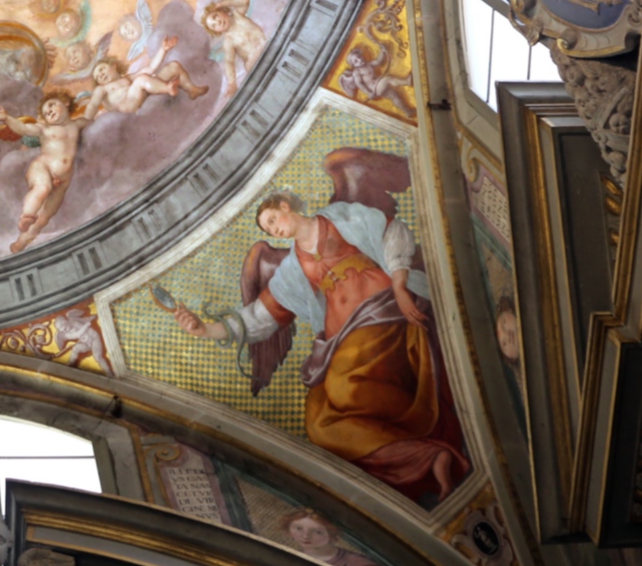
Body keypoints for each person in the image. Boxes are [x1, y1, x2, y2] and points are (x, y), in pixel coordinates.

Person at [164, 151, 469, 504]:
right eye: (268, 230)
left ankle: (422, 438)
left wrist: (400, 284)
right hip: (341, 339)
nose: (274, 229)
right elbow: (260, 318)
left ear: (284, 206)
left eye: (272, 220)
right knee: (318, 421)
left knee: (344, 387)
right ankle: (425, 455)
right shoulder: (291, 270)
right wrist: (206, 330)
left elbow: (392, 231)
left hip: (382, 311)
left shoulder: (339, 217)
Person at [0, 91, 85, 253]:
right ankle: (27, 214)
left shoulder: (78, 124)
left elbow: (94, 118)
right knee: (42, 188)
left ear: (65, 103)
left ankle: (20, 243)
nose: (49, 111)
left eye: (52, 105)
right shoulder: (44, 129)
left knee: (44, 217)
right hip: (42, 168)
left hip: (64, 179)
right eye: (46, 112)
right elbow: (23, 128)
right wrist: (7, 118)